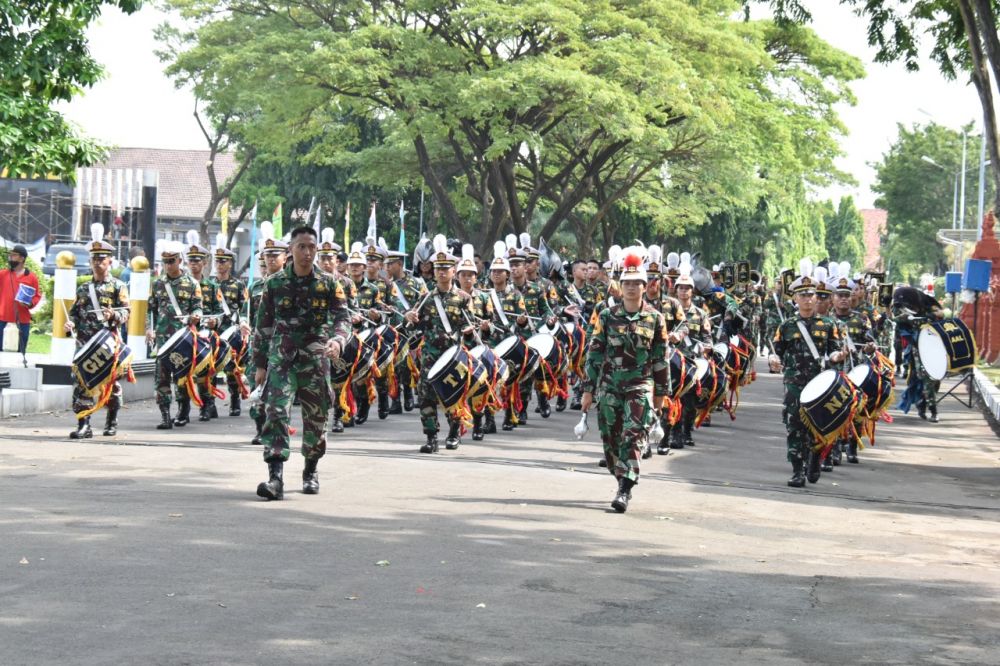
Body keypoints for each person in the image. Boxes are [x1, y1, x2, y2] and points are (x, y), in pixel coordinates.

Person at [253, 226, 351, 500]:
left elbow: (343, 318)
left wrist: (338, 341)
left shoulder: (329, 283)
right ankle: (275, 478)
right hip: (281, 360)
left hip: (315, 360)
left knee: (316, 417)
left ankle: (310, 469)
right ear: (291, 250)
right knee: (275, 413)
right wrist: (259, 365)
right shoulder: (274, 284)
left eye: (311, 247)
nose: (307, 253)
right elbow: (263, 325)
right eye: (301, 247)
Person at [581, 246, 670, 513]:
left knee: (633, 437)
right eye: (627, 283)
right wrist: (588, 390)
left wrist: (661, 394)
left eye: (636, 283)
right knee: (611, 440)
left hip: (639, 386)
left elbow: (660, 358)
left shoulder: (655, 318)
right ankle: (619, 473)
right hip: (609, 386)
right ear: (621, 286)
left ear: (646, 286)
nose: (631, 288)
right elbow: (594, 353)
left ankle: (625, 488)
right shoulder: (608, 316)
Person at [768, 260, 847, 488]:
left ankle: (815, 458)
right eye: (802, 295)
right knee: (794, 427)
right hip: (794, 384)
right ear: (795, 299)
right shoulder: (787, 326)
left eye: (811, 294)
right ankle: (797, 470)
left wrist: (837, 356)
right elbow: (777, 352)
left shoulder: (828, 324)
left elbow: (834, 350)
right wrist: (774, 360)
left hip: (820, 385)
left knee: (820, 427)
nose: (808, 299)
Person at [404, 235, 477, 453]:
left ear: (454, 271)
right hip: (429, 355)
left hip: (454, 356)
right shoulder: (426, 297)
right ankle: (431, 437)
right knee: (425, 397)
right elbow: (411, 327)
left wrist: (469, 332)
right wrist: (409, 319)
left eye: (446, 268)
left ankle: (454, 432)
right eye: (438, 268)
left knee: (453, 395)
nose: (442, 272)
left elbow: (471, 330)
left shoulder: (463, 298)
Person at [65, 233, 131, 438]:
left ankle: (111, 420)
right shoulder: (84, 287)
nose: (97, 262)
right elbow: (75, 313)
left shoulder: (118, 286)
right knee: (82, 384)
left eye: (101, 258)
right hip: (85, 344)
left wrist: (114, 315)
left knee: (110, 384)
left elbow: (127, 312)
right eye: (94, 258)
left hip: (107, 343)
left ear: (110, 260)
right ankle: (84, 425)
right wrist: (70, 324)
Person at [146, 241, 203, 429]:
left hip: (183, 338)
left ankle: (182, 410)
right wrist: (149, 328)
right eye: (165, 262)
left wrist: (197, 316)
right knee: (161, 378)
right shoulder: (158, 284)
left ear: (180, 260)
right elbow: (150, 309)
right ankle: (165, 415)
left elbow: (198, 307)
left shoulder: (192, 283)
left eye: (171, 261)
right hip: (163, 339)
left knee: (182, 377)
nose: (168, 265)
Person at [209, 237, 250, 417]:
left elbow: (245, 307)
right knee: (209, 368)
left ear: (230, 263)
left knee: (231, 368)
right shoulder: (208, 284)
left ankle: (235, 399)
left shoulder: (238, 285)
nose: (220, 264)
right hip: (212, 332)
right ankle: (210, 404)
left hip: (230, 331)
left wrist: (242, 322)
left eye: (223, 261)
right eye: (217, 261)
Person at [385, 249, 427, 414]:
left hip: (413, 331)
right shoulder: (387, 285)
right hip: (395, 329)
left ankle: (409, 394)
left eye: (390, 264)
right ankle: (395, 399)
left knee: (410, 366)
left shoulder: (416, 282)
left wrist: (416, 314)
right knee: (393, 366)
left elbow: (425, 303)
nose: (387, 267)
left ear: (400, 264)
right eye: (386, 264)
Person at [0, 244, 41, 357]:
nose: (10, 257)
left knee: (20, 353)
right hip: (2, 320)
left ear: (22, 258)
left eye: (14, 255)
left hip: (22, 321)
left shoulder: (32, 277)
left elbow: (37, 295)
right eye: (10, 255)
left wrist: (30, 303)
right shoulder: (3, 274)